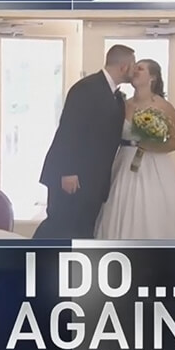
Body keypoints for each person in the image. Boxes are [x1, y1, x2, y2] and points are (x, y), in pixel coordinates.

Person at [35, 45, 135, 239]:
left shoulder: (116, 96)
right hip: (72, 176)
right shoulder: (87, 88)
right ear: (123, 67)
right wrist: (68, 172)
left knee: (82, 229)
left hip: (93, 179)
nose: (134, 70)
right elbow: (69, 130)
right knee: (59, 227)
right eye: (133, 65)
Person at [96, 58, 175, 239]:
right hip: (124, 162)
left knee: (150, 209)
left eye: (140, 69)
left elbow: (174, 143)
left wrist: (150, 143)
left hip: (153, 165)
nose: (135, 71)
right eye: (135, 68)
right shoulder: (123, 104)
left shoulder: (164, 107)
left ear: (152, 77)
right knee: (121, 205)